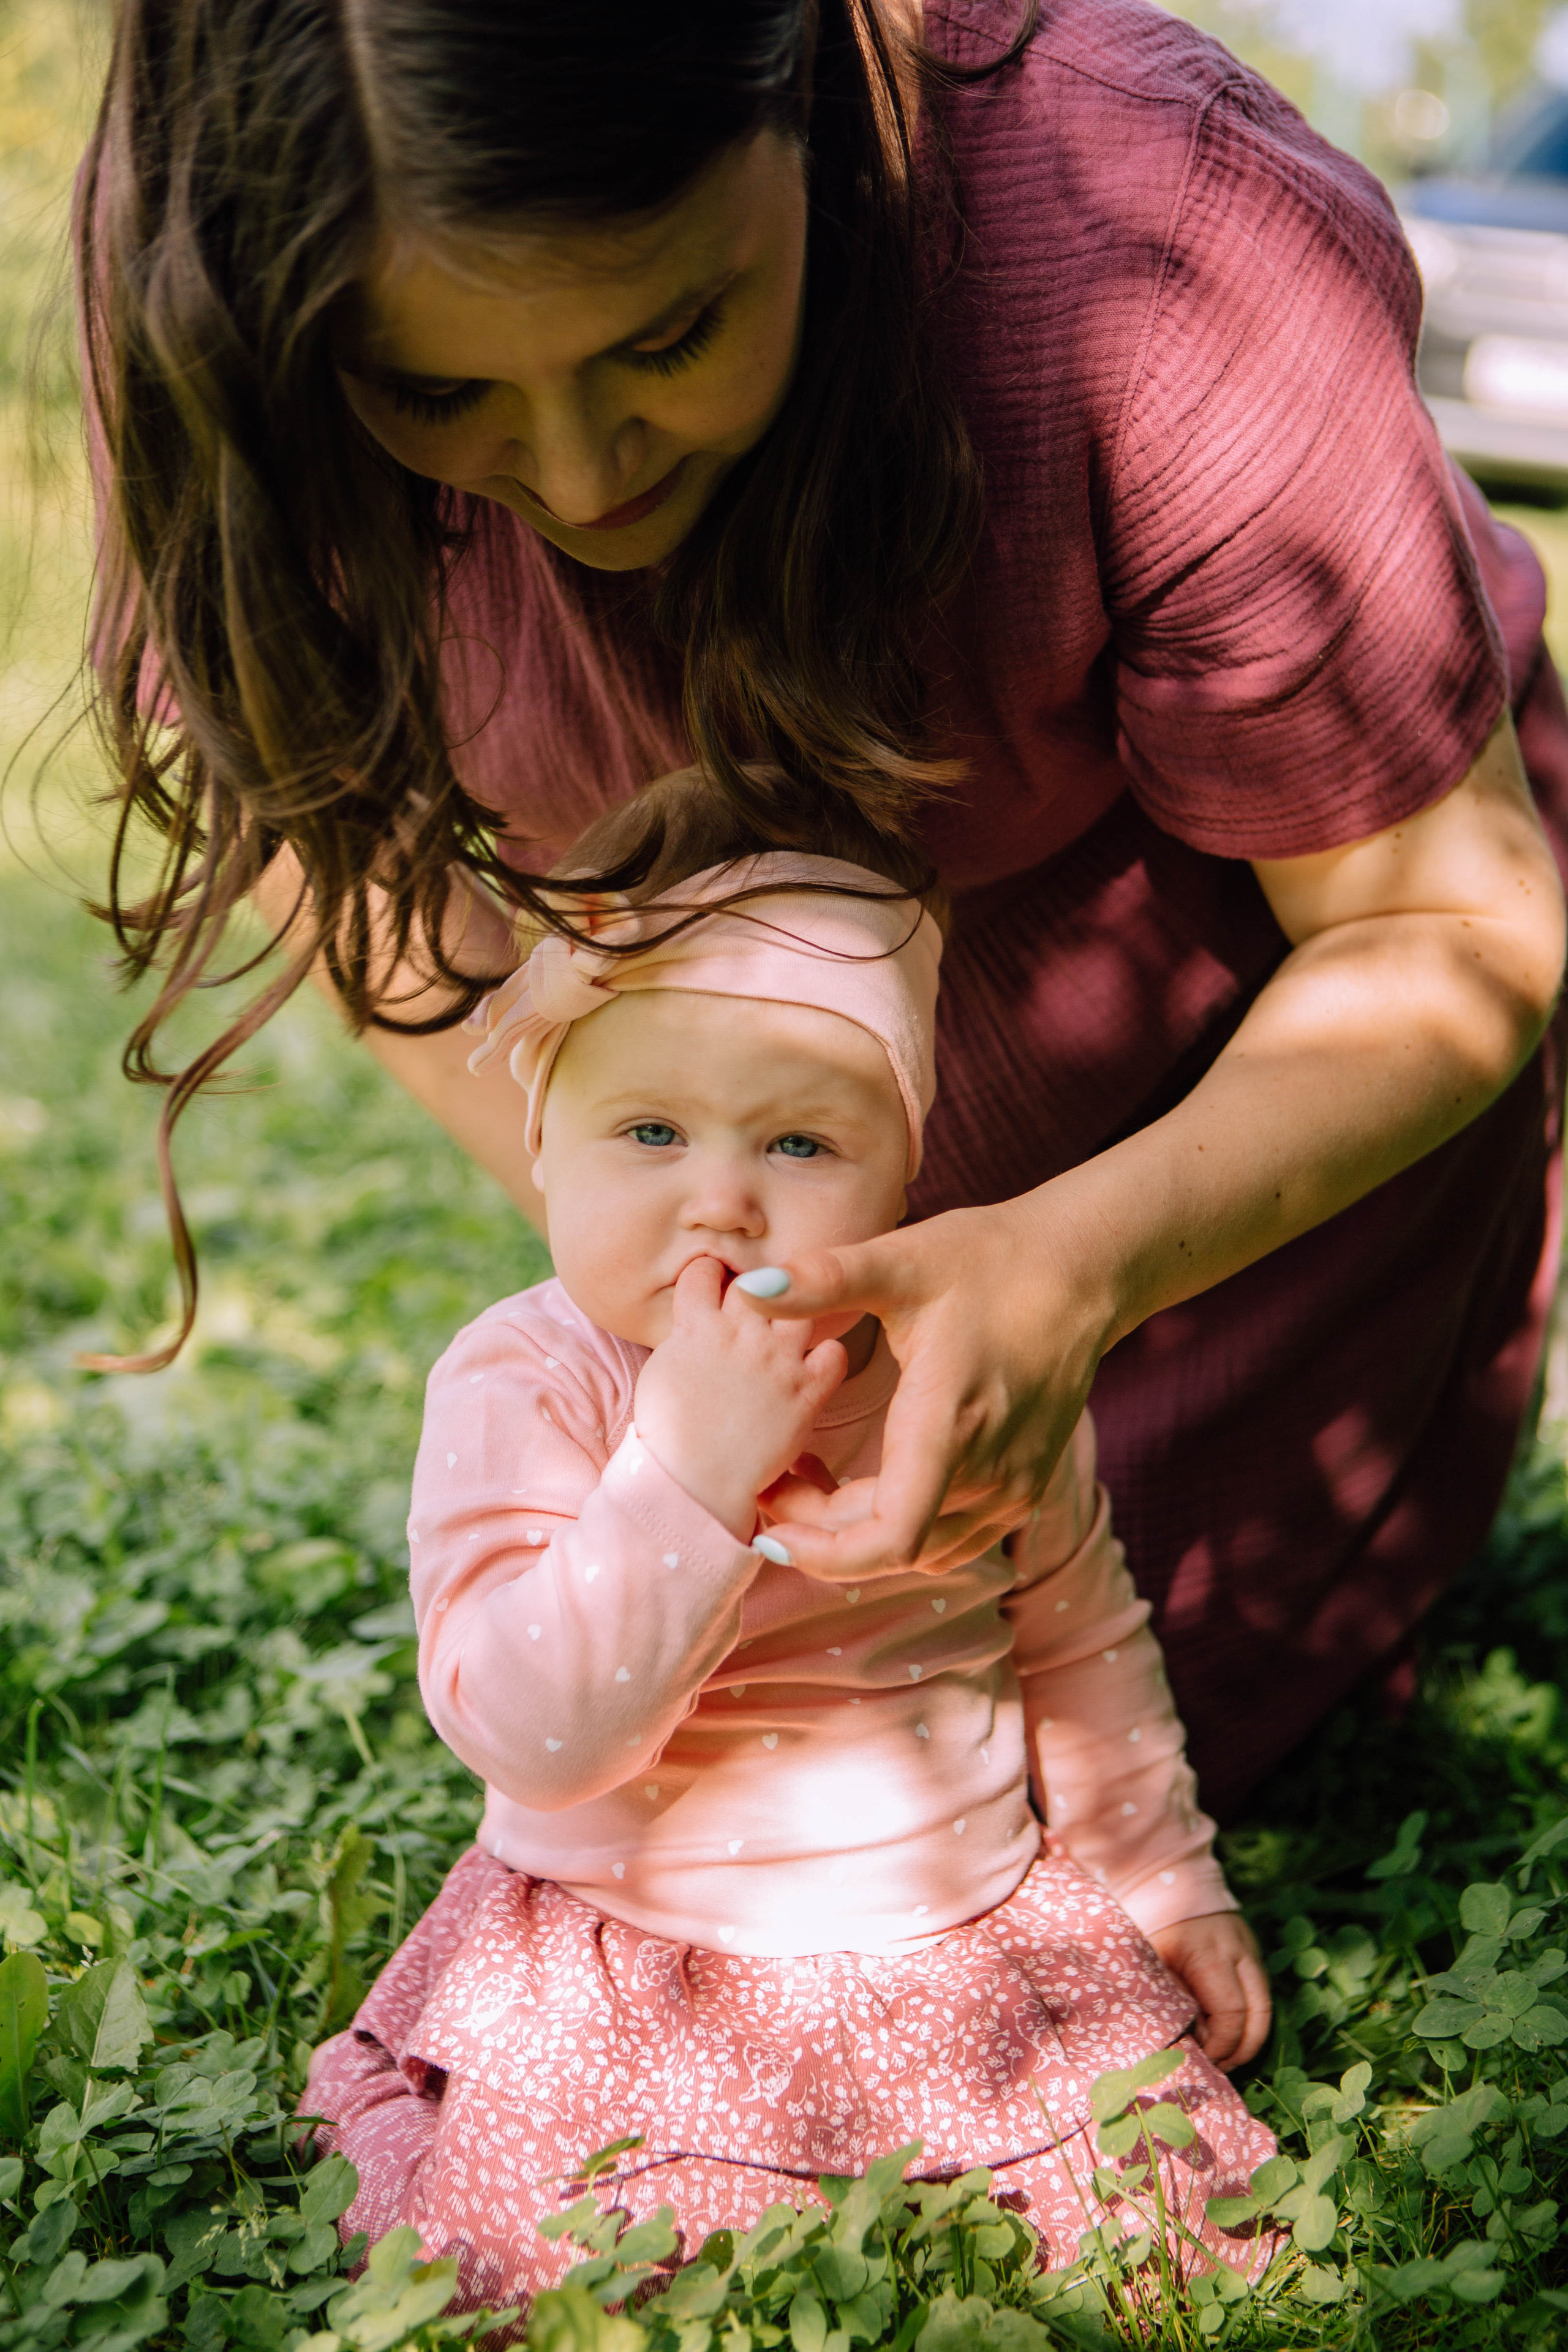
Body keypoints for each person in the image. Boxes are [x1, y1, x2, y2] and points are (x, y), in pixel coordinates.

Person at [78, 0, 1568, 1820]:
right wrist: (666, 1238)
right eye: (436, 393)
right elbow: (339, 853)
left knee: (1078, 1736)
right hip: (803, 1108)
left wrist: (1072, 1265)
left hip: (1244, 1063)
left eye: (669, 333)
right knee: (762, 1724)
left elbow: (1442, 927)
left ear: (796, 95)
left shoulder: (1149, 229)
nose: (580, 476)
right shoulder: (229, 266)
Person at [304, 801, 1276, 2302]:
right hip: (639, 1943)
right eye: (648, 1132)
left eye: (801, 1142)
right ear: (543, 1145)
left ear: (904, 1170)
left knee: (1149, 2234)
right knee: (545, 2261)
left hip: (951, 1923)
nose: (718, 1198)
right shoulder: (533, 1384)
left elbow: (1078, 1639)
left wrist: (1162, 1878)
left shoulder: (962, 1373)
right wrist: (684, 1473)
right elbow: (527, 1734)